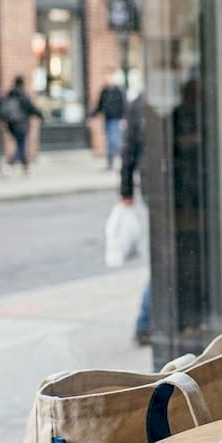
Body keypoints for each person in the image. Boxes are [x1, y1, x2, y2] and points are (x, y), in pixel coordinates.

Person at [119, 93, 151, 345]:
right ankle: (146, 322)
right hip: (171, 188)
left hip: (152, 185)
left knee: (164, 257)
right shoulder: (149, 101)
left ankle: (146, 322)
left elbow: (128, 149)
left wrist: (127, 188)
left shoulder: (138, 101)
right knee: (166, 260)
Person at [0, 75, 42, 173]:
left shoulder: (10, 94)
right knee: (21, 145)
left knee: (20, 143)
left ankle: (25, 165)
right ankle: (12, 162)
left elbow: (2, 108)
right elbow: (31, 108)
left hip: (10, 124)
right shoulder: (23, 95)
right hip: (21, 123)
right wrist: (40, 115)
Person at [93, 73, 128, 171]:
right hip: (107, 119)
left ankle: (125, 160)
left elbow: (124, 105)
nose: (107, 80)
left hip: (117, 119)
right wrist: (93, 115)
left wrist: (124, 118)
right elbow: (100, 105)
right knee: (109, 143)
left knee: (116, 142)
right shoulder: (104, 91)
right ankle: (110, 164)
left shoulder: (119, 91)